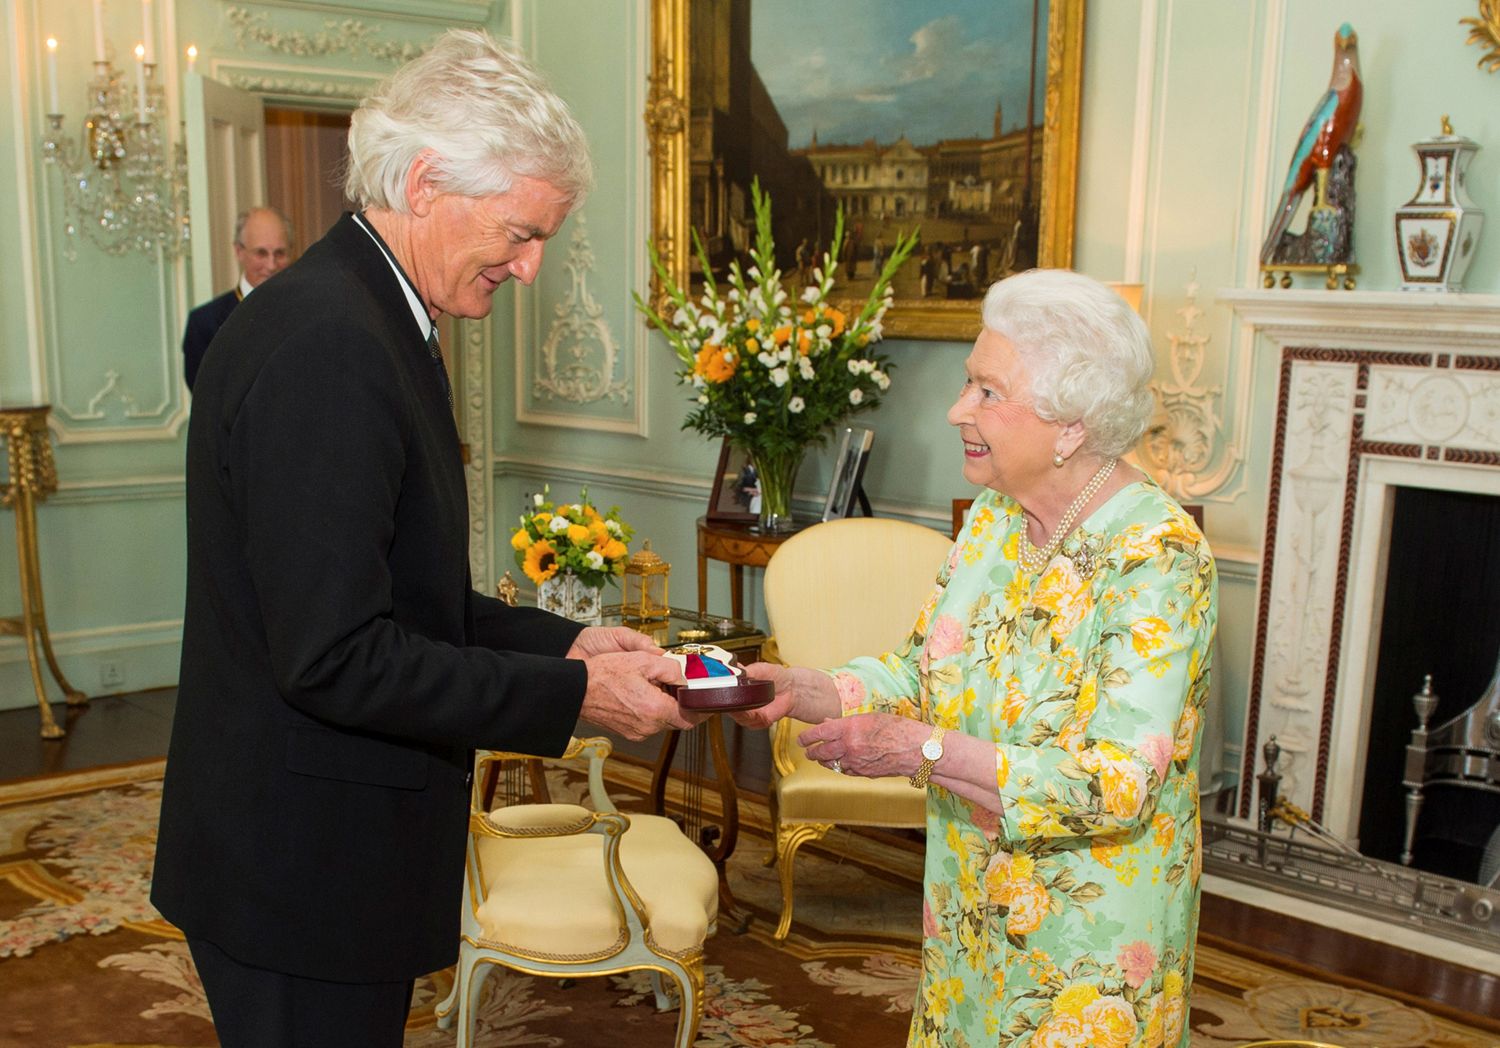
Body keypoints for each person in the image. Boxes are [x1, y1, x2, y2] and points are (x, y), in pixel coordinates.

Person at [151, 30, 696, 1048]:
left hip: (315, 855)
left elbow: (402, 594)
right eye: (522, 232)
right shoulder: (331, 343)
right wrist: (575, 700)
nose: (531, 269)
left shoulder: (367, 316)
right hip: (300, 872)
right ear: (425, 181)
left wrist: (563, 645)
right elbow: (336, 655)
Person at [735, 269, 1217, 1047]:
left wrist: (919, 750)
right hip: (967, 900)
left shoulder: (1156, 554)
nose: (958, 409)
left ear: (1072, 423)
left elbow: (1118, 781)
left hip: (1088, 938)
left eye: (988, 392)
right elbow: (926, 667)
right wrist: (810, 686)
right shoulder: (997, 517)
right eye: (969, 384)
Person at [180, 206, 293, 390]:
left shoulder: (307, 312)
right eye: (261, 253)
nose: (271, 265)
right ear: (239, 251)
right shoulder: (205, 324)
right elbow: (207, 401)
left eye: (280, 253)